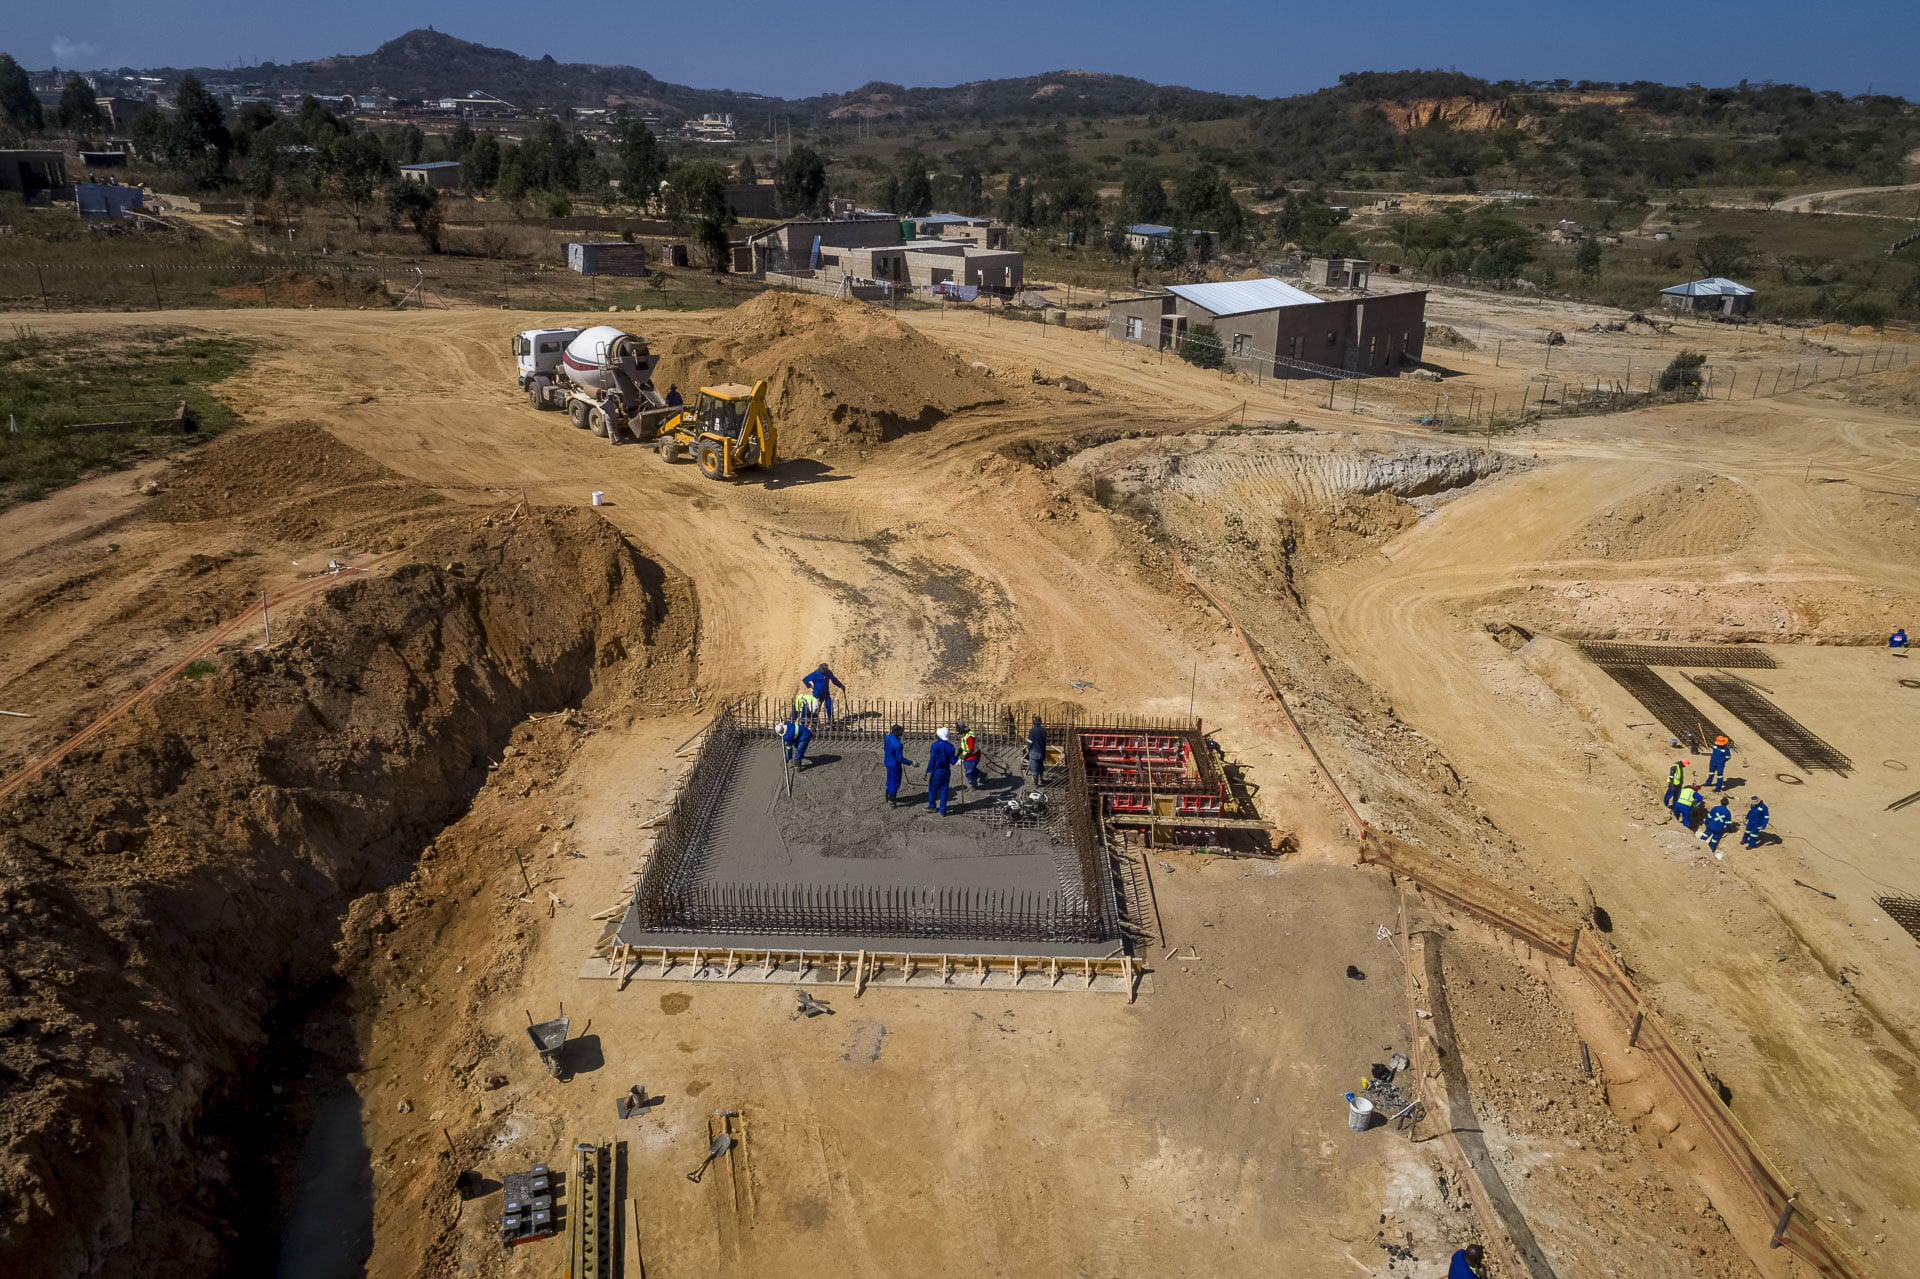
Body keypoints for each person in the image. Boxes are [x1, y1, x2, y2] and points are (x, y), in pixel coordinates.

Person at [924, 726, 958, 815]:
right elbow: (953, 761)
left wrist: (928, 770)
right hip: (946, 771)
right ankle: (942, 810)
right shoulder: (951, 747)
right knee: (944, 790)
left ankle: (932, 806)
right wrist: (958, 755)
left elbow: (932, 760)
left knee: (932, 789)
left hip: (937, 771)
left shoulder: (935, 746)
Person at [883, 724, 914, 805]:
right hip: (895, 765)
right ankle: (891, 800)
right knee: (895, 782)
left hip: (887, 761)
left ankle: (887, 796)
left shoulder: (887, 737)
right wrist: (911, 762)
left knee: (889, 780)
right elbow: (900, 758)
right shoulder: (898, 744)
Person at [957, 722, 982, 789]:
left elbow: (971, 750)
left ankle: (973, 785)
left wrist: (963, 757)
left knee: (969, 772)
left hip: (973, 756)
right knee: (971, 768)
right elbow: (964, 746)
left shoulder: (969, 737)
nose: (957, 731)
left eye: (958, 730)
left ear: (962, 729)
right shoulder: (965, 734)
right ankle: (981, 775)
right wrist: (958, 755)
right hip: (968, 756)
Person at [1026, 716, 1048, 790]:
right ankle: (1041, 780)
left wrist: (1028, 747)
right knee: (1040, 766)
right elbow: (1045, 743)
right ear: (1040, 723)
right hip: (1041, 752)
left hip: (1034, 752)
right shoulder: (1043, 731)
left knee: (1034, 767)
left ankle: (1036, 784)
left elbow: (1030, 741)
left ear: (1034, 723)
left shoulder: (1032, 731)